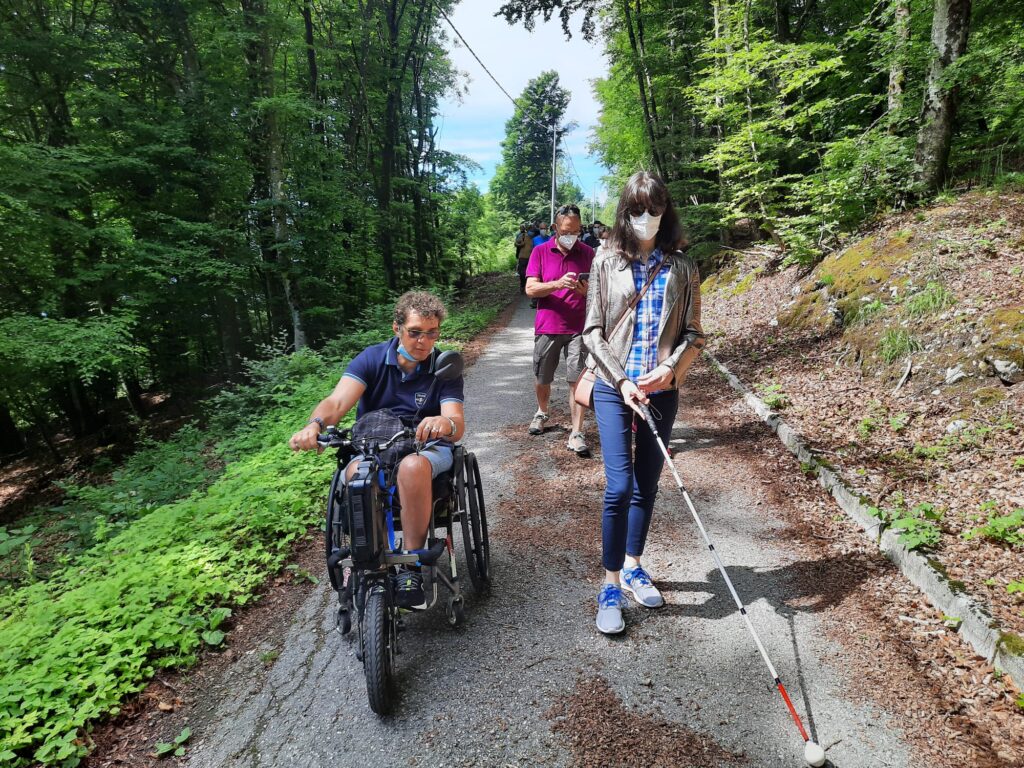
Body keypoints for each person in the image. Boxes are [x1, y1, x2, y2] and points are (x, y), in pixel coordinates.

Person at [581, 171, 705, 634]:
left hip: (661, 389)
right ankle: (610, 584)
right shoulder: (604, 262)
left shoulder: (684, 266)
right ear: (624, 212)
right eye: (636, 210)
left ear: (665, 212)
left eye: (654, 210)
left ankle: (634, 565)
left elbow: (694, 334)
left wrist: (671, 369)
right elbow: (592, 331)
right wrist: (619, 378)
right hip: (615, 387)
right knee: (618, 485)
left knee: (647, 483)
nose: (645, 219)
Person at [288, 291, 465, 608]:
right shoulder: (371, 359)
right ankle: (374, 560)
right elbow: (338, 402)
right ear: (396, 328)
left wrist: (443, 423)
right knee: (356, 473)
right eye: (414, 332)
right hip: (375, 444)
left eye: (431, 333)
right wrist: (315, 424)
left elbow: (456, 421)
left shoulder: (444, 366)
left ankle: (410, 566)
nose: (423, 342)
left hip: (424, 448)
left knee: (412, 466)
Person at [524, 203, 595, 456]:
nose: (572, 236)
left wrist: (587, 292)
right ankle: (542, 411)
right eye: (567, 231)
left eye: (576, 231)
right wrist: (555, 285)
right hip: (549, 325)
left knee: (577, 379)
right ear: (555, 228)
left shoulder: (589, 253)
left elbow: (601, 293)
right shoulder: (540, 251)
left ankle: (577, 432)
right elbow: (530, 289)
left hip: (580, 327)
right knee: (543, 377)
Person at [515, 223, 534, 295]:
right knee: (522, 273)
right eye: (529, 228)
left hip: (531, 258)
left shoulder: (534, 238)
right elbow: (516, 243)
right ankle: (522, 286)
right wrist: (521, 244)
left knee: (529, 274)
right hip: (522, 257)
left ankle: (527, 287)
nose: (531, 230)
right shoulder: (522, 236)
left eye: (531, 228)